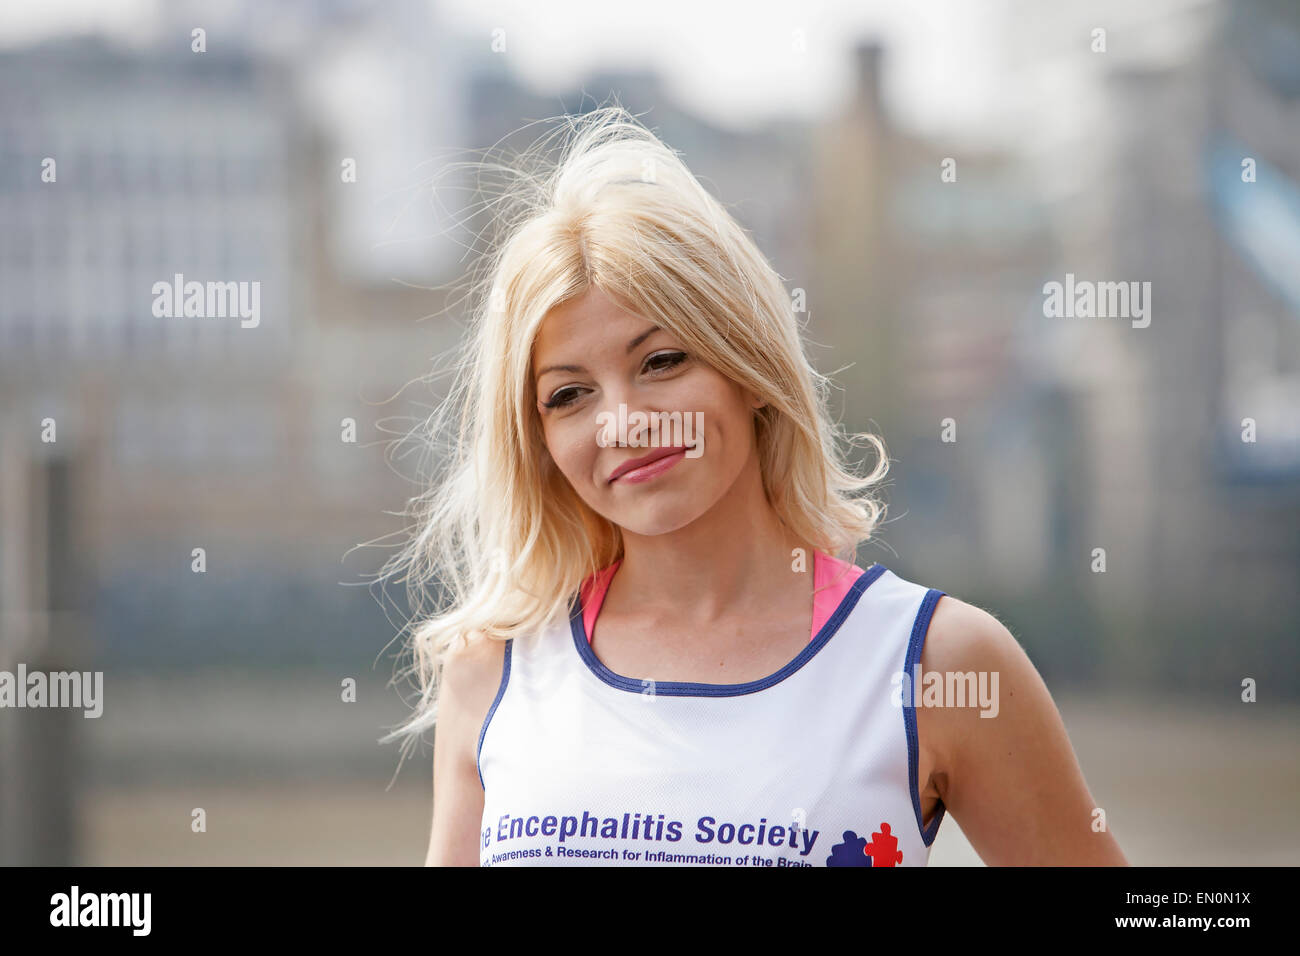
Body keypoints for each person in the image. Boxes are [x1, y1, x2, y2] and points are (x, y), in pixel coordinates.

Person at [381, 104, 1127, 867]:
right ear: (537, 440)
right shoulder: (493, 671)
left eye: (662, 362)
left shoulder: (938, 662)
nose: (624, 422)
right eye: (569, 395)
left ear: (753, 369)